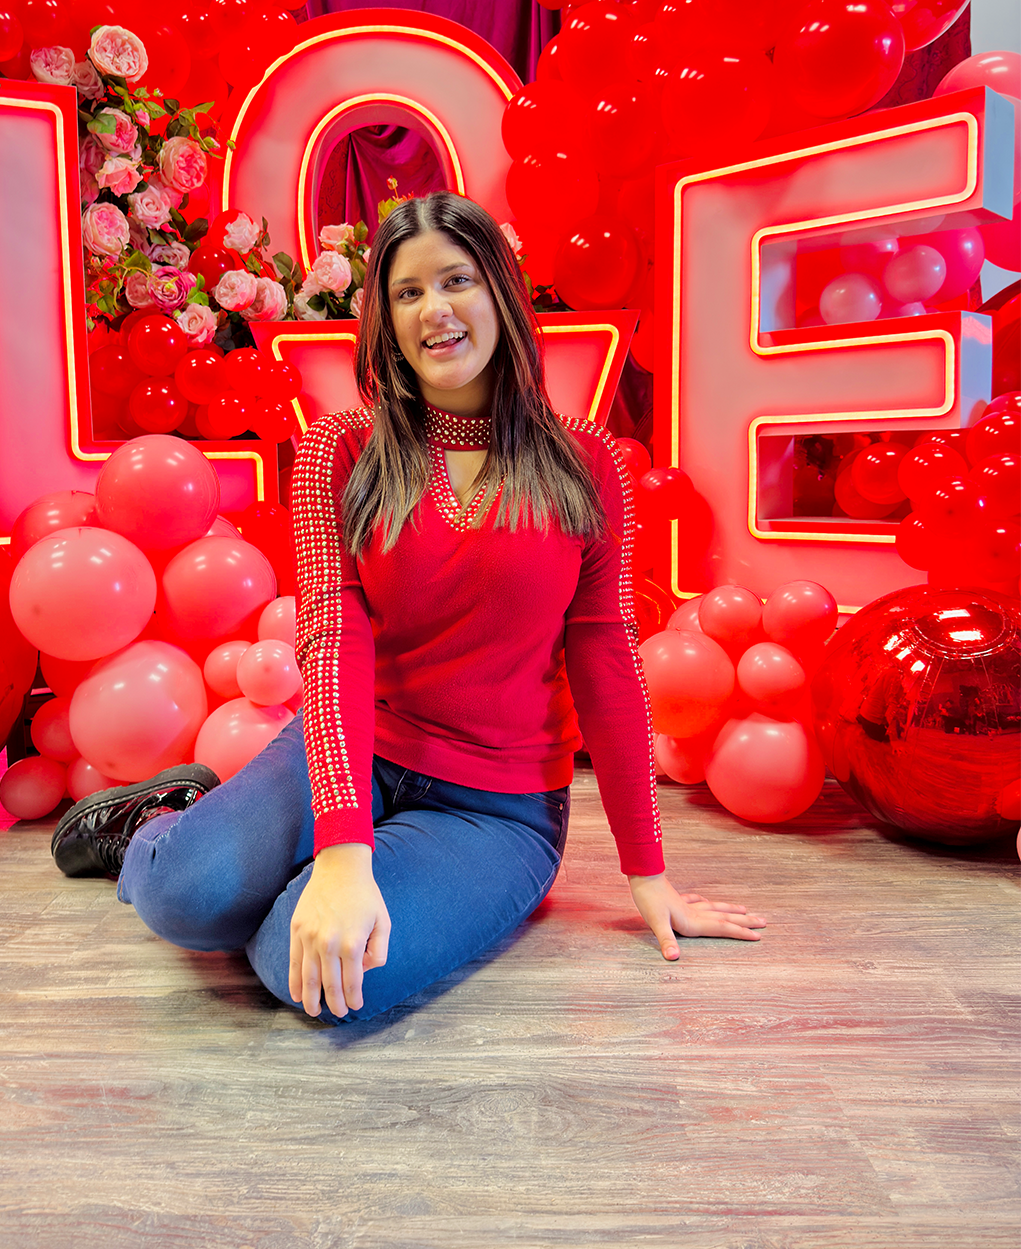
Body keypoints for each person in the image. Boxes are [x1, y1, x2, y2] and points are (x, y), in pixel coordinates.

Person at [52, 192, 765, 1023]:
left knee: (303, 967)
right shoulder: (338, 451)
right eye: (407, 293)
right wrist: (343, 849)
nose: (436, 310)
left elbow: (605, 663)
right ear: (384, 321)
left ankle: (282, 874)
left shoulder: (586, 463)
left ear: (500, 290)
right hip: (361, 747)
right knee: (180, 898)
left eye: (456, 280)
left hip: (495, 809)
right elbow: (333, 645)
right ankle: (157, 825)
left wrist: (647, 873)